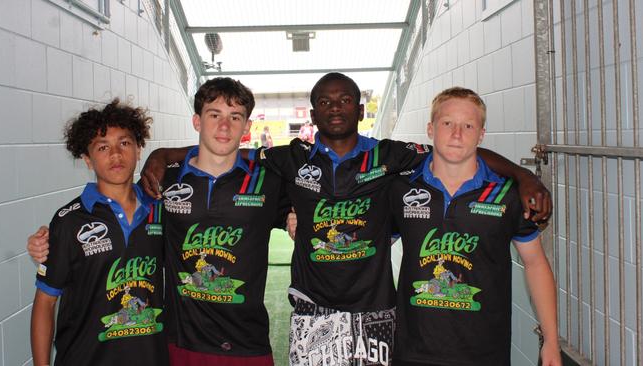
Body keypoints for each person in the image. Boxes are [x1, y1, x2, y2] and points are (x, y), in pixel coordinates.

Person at [138, 72, 552, 365]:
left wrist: (523, 175)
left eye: (344, 100)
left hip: (376, 313)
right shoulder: (290, 158)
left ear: (360, 108)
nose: (335, 107)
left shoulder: (392, 157)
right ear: (313, 114)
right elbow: (223, 152)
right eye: (325, 102)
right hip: (312, 312)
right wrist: (162, 157)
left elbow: (460, 151)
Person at [28, 78, 290, 366]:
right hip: (174, 346)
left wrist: (296, 216)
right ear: (197, 121)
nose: (224, 126)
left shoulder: (265, 181)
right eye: (214, 115)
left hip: (240, 346)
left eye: (234, 117)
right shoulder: (158, 190)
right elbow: (47, 297)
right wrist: (44, 244)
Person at [389, 87, 560, 365]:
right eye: (447, 124)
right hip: (413, 353)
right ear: (431, 129)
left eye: (468, 125)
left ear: (481, 134)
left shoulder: (507, 195)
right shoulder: (401, 189)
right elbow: (370, 244)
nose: (457, 134)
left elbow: (535, 263)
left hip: (484, 354)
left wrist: (551, 340)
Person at [30, 99, 168, 365]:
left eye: (125, 143)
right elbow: (45, 303)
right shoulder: (68, 221)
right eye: (103, 147)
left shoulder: (160, 211)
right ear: (87, 159)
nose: (115, 154)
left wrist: (163, 155)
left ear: (139, 150)